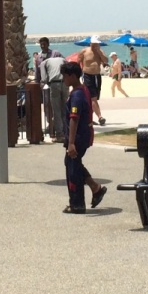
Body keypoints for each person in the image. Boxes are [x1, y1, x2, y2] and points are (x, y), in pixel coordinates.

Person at [61, 61, 105, 214]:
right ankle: (95, 187)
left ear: (73, 76)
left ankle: (77, 204)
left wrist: (71, 143)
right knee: (72, 163)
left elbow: (74, 119)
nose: (63, 79)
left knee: (73, 169)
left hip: (79, 137)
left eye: (65, 76)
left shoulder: (77, 95)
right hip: (83, 135)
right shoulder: (82, 89)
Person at [32, 37, 60, 142]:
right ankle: (51, 124)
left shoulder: (55, 54)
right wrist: (37, 83)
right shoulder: (38, 58)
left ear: (48, 44)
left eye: (44, 44)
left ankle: (57, 126)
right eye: (41, 44)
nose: (43, 46)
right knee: (47, 106)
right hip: (44, 85)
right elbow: (37, 72)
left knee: (56, 105)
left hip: (55, 83)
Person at [78, 37, 107, 125]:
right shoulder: (84, 51)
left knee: (94, 98)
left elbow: (106, 61)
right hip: (87, 75)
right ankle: (100, 117)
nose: (95, 46)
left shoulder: (100, 51)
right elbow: (78, 62)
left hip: (97, 76)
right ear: (90, 44)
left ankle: (88, 118)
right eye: (94, 44)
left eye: (97, 44)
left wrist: (99, 53)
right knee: (93, 98)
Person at [41, 49, 68, 145]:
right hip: (65, 83)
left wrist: (45, 82)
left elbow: (44, 78)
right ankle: (67, 132)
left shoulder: (44, 62)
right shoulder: (63, 60)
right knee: (65, 108)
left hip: (54, 84)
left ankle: (59, 135)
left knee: (56, 110)